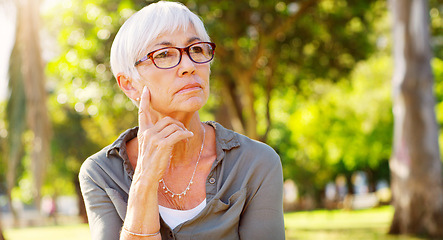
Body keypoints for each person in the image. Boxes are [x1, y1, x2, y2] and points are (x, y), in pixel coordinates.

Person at [78, 1, 285, 239]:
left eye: (196, 49)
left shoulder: (256, 162)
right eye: (164, 54)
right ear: (129, 84)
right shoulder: (101, 173)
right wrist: (145, 179)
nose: (188, 66)